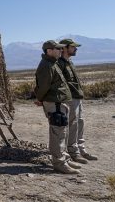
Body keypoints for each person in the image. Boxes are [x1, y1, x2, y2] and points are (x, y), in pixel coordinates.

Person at [34, 40, 80, 174]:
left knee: (63, 132)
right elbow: (43, 86)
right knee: (58, 133)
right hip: (54, 104)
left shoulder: (53, 63)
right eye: (57, 49)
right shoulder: (46, 66)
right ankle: (59, 163)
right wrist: (39, 99)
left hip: (60, 103)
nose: (61, 51)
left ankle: (64, 159)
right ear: (49, 50)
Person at [58, 38, 98, 162]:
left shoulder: (69, 62)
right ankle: (73, 152)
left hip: (77, 97)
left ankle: (81, 149)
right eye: (73, 47)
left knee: (80, 122)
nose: (76, 49)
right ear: (64, 48)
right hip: (70, 98)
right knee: (72, 125)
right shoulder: (60, 63)